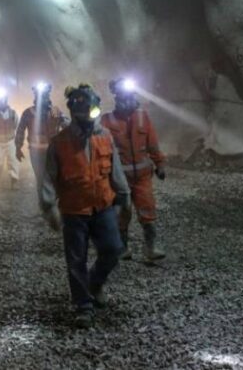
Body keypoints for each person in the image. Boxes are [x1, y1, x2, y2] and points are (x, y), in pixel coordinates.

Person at [40, 84, 130, 329]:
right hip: (74, 211)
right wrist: (50, 208)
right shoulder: (59, 143)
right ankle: (83, 306)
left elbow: (116, 170)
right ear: (74, 113)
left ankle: (94, 283)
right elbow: (48, 177)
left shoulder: (104, 137)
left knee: (113, 250)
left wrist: (124, 197)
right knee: (76, 260)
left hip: (103, 206)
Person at [101, 78, 166, 262]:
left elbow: (152, 144)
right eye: (124, 96)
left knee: (148, 209)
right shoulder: (107, 120)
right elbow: (100, 148)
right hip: (119, 179)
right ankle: (122, 247)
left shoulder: (142, 117)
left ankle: (150, 248)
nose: (128, 100)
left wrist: (159, 164)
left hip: (143, 177)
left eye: (130, 96)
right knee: (123, 212)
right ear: (117, 97)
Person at [15, 82, 69, 205]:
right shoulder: (28, 113)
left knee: (56, 176)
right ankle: (44, 203)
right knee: (41, 178)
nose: (43, 98)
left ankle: (56, 200)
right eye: (40, 96)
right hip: (36, 152)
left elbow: (68, 126)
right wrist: (18, 147)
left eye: (45, 96)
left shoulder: (55, 111)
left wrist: (60, 117)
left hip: (55, 151)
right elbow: (20, 130)